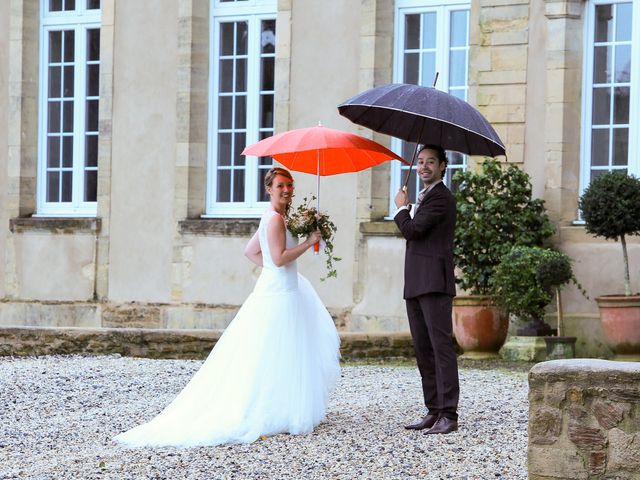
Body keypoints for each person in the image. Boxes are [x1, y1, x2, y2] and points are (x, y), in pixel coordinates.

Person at [114, 167, 341, 447]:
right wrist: (307, 243)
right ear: (269, 189)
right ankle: (270, 409)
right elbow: (280, 258)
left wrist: (273, 266)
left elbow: (251, 252)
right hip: (279, 293)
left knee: (278, 352)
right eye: (281, 185)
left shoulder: (276, 218)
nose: (286, 190)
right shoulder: (275, 221)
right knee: (276, 349)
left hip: (280, 288)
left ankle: (280, 406)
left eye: (290, 186)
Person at [393, 145, 459, 435]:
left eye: (430, 162)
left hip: (434, 283)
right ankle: (433, 410)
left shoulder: (441, 198)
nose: (423, 167)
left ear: (443, 166)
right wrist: (408, 207)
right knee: (423, 350)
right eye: (420, 161)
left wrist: (400, 208)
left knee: (440, 348)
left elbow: (413, 230)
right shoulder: (424, 198)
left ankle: (449, 414)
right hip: (417, 283)